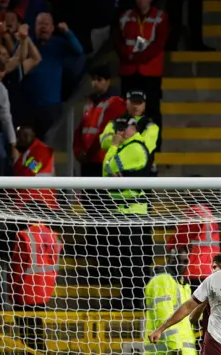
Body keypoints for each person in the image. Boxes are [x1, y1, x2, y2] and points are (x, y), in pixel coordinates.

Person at [102, 115, 152, 309]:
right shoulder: (127, 147)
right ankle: (129, 298)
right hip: (125, 211)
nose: (121, 132)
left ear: (134, 128)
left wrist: (113, 147)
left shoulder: (134, 147)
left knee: (132, 258)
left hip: (133, 211)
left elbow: (107, 169)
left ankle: (134, 300)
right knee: (127, 258)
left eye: (125, 128)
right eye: (119, 127)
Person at [115, 0, 169, 151]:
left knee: (152, 110)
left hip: (150, 72)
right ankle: (127, 145)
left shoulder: (160, 17)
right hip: (129, 71)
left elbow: (159, 43)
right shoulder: (125, 16)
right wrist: (128, 56)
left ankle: (154, 147)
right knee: (127, 111)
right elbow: (118, 41)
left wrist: (139, 57)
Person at [21, 13, 84, 139]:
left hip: (51, 106)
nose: (43, 27)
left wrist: (67, 32)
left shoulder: (58, 44)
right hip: (28, 106)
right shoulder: (28, 43)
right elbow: (17, 61)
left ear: (52, 28)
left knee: (48, 143)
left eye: (46, 24)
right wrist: (23, 39)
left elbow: (79, 51)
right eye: (40, 24)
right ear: (34, 27)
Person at [142, 244, 199, 355]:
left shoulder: (182, 284)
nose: (183, 265)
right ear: (171, 260)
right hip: (172, 354)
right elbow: (163, 315)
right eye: (179, 261)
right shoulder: (162, 281)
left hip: (184, 354)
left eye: (186, 261)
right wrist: (174, 346)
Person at [74, 63, 126, 177]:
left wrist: (88, 154)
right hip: (88, 159)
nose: (95, 83)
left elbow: (104, 131)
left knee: (100, 194)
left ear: (108, 81)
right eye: (93, 79)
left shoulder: (115, 103)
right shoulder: (90, 102)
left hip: (103, 159)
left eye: (99, 79)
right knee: (89, 194)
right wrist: (78, 151)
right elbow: (81, 129)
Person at [101, 90, 160, 176]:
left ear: (144, 104)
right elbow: (104, 141)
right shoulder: (115, 121)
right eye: (133, 102)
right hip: (115, 169)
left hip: (141, 171)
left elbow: (144, 147)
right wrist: (127, 139)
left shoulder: (151, 126)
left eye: (139, 103)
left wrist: (117, 141)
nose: (136, 106)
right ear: (126, 102)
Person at [13, 125, 59, 211]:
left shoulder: (42, 151)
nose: (23, 138)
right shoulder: (25, 153)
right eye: (20, 136)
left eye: (26, 135)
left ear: (33, 134)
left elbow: (30, 171)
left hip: (42, 204)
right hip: (27, 203)